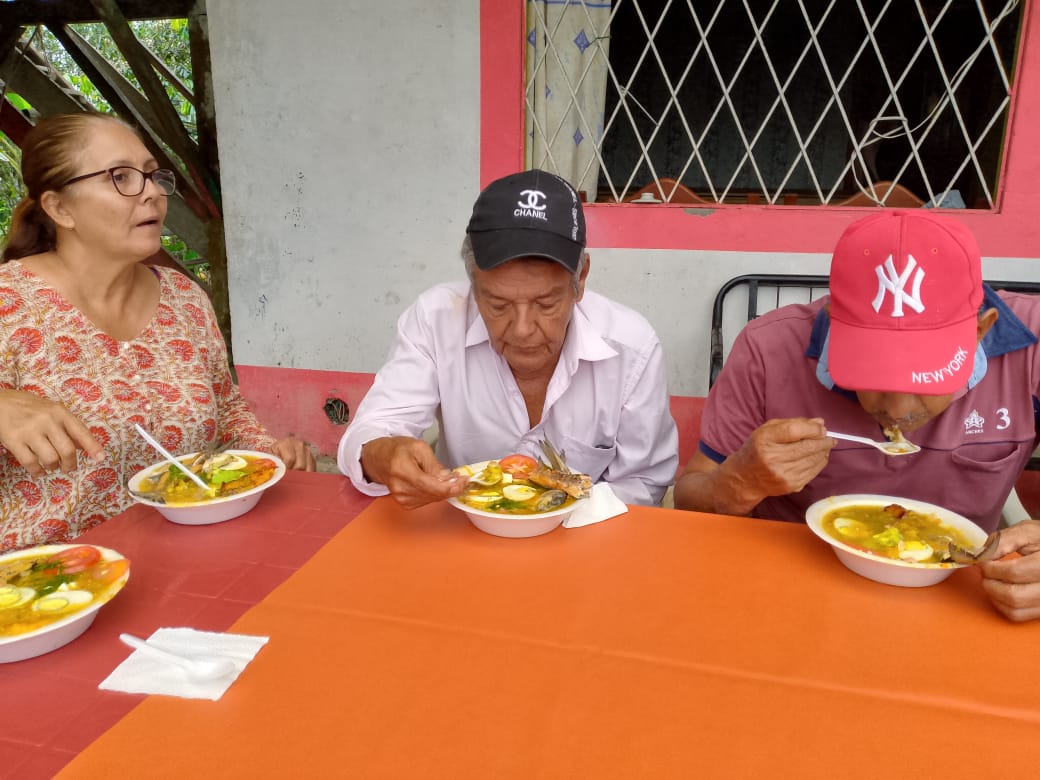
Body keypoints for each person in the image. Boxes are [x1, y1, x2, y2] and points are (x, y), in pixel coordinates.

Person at [674, 209, 1040, 621]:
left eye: (926, 378)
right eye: (875, 374)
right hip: (787, 592)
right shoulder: (768, 349)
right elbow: (689, 502)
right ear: (836, 326)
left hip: (962, 601)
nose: (898, 412)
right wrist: (740, 482)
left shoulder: (1033, 346)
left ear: (980, 331)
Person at [0, 112, 315, 552]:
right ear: (60, 208)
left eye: (152, 175)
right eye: (120, 177)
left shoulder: (184, 300)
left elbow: (226, 411)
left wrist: (268, 452)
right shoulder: (9, 304)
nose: (151, 192)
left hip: (186, 561)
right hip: (44, 581)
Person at [338, 169, 677, 508]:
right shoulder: (435, 320)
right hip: (459, 527)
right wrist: (384, 454)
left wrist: (551, 514)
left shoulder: (631, 348)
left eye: (546, 304)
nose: (522, 329)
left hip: (586, 533)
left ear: (581, 278)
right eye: (498, 305)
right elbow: (374, 429)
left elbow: (645, 482)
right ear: (473, 284)